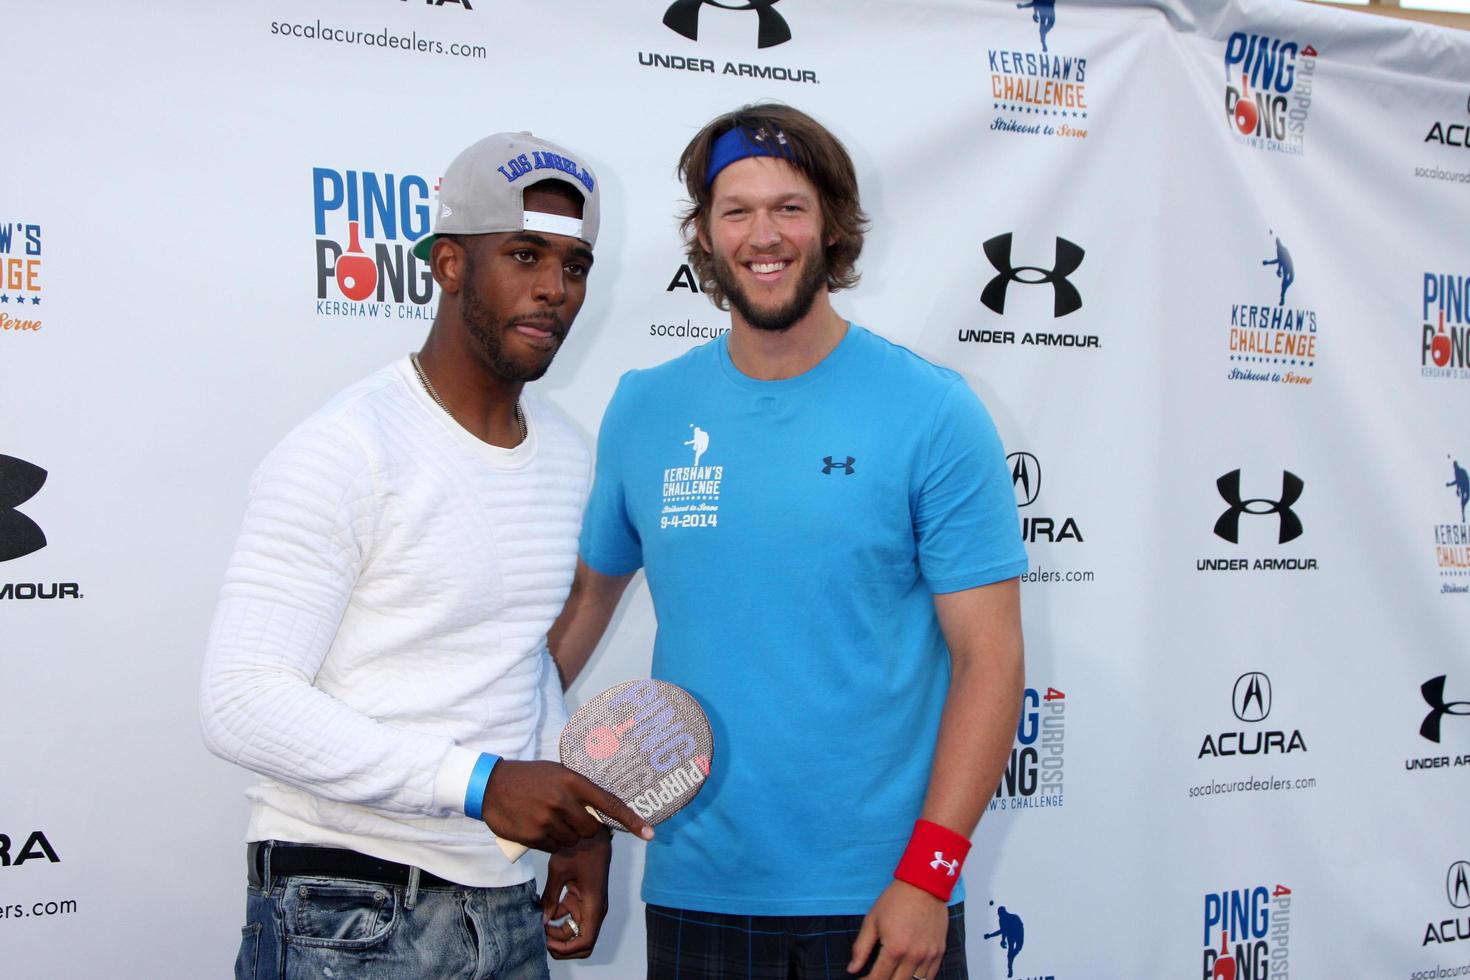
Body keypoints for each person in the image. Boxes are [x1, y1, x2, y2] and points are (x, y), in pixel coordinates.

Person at [551, 104, 1028, 980]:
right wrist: (480, 752)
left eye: (789, 207)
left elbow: (990, 662)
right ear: (704, 233)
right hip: (699, 887)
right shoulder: (644, 408)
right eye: (736, 210)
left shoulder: (934, 411)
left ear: (832, 224)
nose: (762, 235)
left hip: (886, 899)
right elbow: (586, 607)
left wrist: (929, 875)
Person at [199, 131, 652, 980]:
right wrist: (482, 783)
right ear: (447, 264)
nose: (554, 288)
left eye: (575, 265)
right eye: (523, 255)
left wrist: (575, 829)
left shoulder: (564, 453)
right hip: (347, 909)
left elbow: (515, 667)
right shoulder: (347, 448)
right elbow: (240, 703)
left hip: (504, 906)